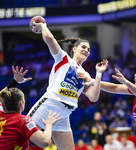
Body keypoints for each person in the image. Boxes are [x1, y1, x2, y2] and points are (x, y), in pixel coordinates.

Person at [28, 20, 108, 150]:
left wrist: (98, 74)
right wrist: (43, 25)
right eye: (83, 47)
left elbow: (94, 97)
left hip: (64, 115)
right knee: (19, 137)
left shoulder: (85, 74)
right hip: (49, 105)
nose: (86, 50)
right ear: (74, 49)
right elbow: (48, 37)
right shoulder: (63, 58)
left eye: (88, 49)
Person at [0, 66, 62, 149]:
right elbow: (44, 142)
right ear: (21, 104)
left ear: (4, 104)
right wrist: (49, 124)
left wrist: (14, 82)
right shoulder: (23, 121)